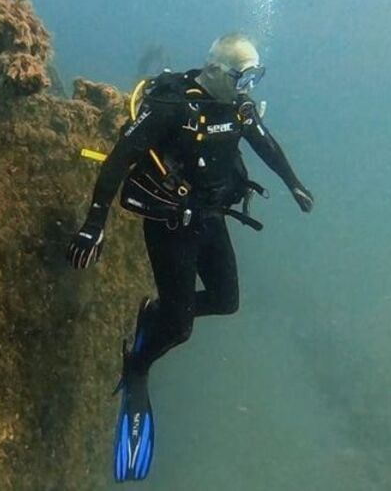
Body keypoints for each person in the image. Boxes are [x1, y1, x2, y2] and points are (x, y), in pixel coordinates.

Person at [66, 34, 314, 482]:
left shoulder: (237, 106)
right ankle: (137, 367)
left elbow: (266, 144)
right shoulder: (171, 107)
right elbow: (119, 160)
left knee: (225, 300)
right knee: (180, 329)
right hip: (169, 225)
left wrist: (294, 182)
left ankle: (155, 314)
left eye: (256, 76)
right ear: (216, 70)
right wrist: (94, 224)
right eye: (243, 76)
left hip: (210, 217)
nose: (249, 86)